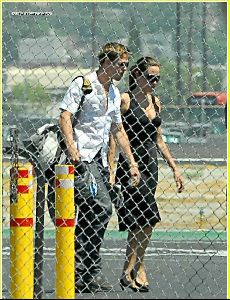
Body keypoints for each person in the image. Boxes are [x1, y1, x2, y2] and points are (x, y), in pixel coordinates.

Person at [58, 42, 140, 293]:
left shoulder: (114, 93)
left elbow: (118, 129)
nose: (123, 69)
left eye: (126, 65)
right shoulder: (83, 84)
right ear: (106, 62)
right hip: (82, 159)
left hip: (101, 160)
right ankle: (85, 270)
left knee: (94, 213)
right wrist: (72, 147)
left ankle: (83, 272)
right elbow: (65, 115)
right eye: (120, 64)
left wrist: (131, 162)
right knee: (101, 207)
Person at [109, 57, 184, 292]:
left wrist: (174, 168)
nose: (154, 81)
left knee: (142, 221)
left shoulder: (155, 102)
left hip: (151, 166)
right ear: (137, 76)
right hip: (131, 165)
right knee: (146, 218)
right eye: (150, 77)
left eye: (157, 78)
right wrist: (112, 170)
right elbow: (115, 135)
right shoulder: (125, 100)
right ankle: (135, 268)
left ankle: (132, 269)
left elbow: (159, 139)